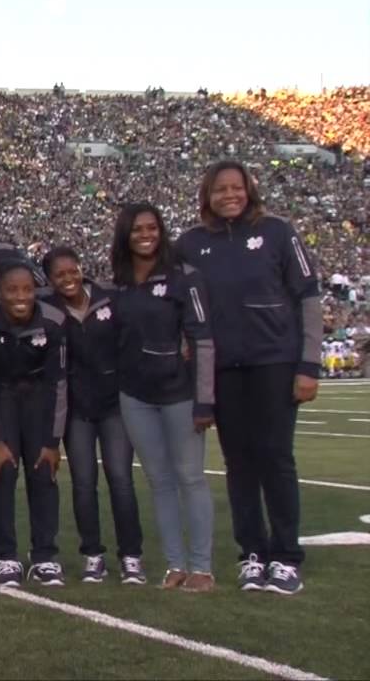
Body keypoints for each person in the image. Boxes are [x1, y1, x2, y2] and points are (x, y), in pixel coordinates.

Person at [176, 160, 320, 595]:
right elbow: (181, 309)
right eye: (220, 189)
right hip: (223, 368)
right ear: (207, 196)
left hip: (274, 362)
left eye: (236, 188)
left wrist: (309, 364)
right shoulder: (190, 244)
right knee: (238, 464)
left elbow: (308, 296)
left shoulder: (279, 232)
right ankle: (252, 553)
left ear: (249, 190)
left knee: (275, 457)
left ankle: (286, 555)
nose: (229, 196)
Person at [111, 203, 216, 593]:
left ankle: (202, 567)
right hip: (135, 394)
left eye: (152, 227)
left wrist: (204, 400)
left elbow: (202, 339)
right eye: (137, 228)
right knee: (159, 481)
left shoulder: (184, 277)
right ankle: (175, 564)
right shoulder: (120, 281)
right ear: (125, 234)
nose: (145, 234)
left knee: (190, 477)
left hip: (178, 393)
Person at [42, 247, 145, 585]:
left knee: (121, 481)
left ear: (81, 268)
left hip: (114, 405)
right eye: (60, 275)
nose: (68, 278)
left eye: (72, 271)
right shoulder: (51, 311)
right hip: (76, 410)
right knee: (84, 484)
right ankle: (93, 555)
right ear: (49, 280)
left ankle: (131, 556)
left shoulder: (108, 298)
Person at [0, 260, 68, 587]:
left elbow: (58, 383)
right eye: (12, 290)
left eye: (27, 289)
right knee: (2, 471)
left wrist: (52, 441)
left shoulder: (53, 322)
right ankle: (4, 555)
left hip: (38, 400)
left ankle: (45, 555)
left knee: (43, 472)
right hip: (2, 398)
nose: (21, 297)